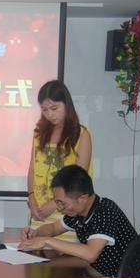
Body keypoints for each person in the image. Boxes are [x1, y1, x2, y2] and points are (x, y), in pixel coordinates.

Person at [19, 164, 136, 276]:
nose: (59, 208)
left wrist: (47, 241)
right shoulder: (78, 212)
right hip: (100, 273)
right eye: (57, 202)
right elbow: (53, 228)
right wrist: (35, 234)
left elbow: (90, 254)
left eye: (62, 203)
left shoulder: (105, 211)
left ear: (82, 198)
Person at [27, 80, 92, 240]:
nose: (50, 114)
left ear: (66, 104)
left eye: (54, 108)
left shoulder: (81, 134)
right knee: (34, 253)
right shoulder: (39, 133)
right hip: (39, 212)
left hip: (67, 212)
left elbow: (79, 178)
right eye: (45, 110)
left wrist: (54, 204)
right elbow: (32, 169)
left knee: (63, 255)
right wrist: (32, 199)